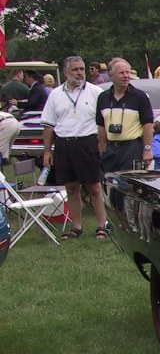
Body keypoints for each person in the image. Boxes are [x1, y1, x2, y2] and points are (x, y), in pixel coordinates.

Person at [39, 55, 107, 239]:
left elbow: (103, 121)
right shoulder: (55, 94)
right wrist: (47, 151)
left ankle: (102, 225)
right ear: (65, 72)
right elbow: (48, 124)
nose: (79, 73)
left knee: (94, 187)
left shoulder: (95, 92)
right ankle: (76, 226)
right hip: (64, 144)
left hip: (87, 143)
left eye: (82, 69)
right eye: (75, 69)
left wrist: (102, 143)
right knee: (71, 188)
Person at [96, 57, 155, 181]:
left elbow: (148, 124)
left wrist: (147, 149)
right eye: (121, 73)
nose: (126, 76)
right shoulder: (103, 97)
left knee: (131, 186)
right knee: (110, 184)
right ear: (111, 76)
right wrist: (102, 147)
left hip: (132, 148)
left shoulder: (139, 96)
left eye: (127, 72)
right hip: (111, 149)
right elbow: (101, 125)